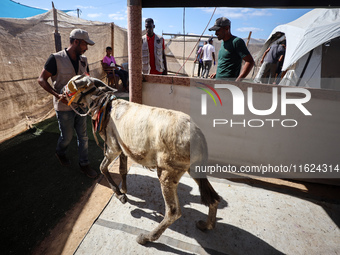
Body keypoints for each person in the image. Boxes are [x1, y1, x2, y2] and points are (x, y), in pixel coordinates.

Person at [37, 28, 98, 179]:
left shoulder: (83, 60)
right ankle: (60, 152)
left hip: (81, 105)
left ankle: (84, 164)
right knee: (67, 137)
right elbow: (41, 79)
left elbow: (87, 79)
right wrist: (57, 95)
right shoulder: (55, 58)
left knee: (83, 137)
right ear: (76, 42)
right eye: (85, 44)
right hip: (64, 107)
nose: (87, 48)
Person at [209, 17, 254, 81]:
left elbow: (250, 61)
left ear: (227, 28)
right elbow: (226, 63)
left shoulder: (236, 42)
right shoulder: (223, 43)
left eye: (218, 30)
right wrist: (218, 74)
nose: (216, 33)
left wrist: (238, 81)